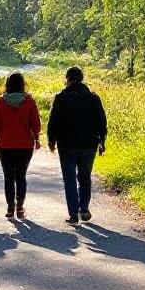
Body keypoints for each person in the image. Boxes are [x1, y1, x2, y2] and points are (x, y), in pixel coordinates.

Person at [47, 66, 107, 225]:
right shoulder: (93, 98)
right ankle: (84, 208)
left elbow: (53, 121)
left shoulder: (61, 98)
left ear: (67, 79)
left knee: (69, 179)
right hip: (88, 145)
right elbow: (102, 122)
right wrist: (102, 141)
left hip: (66, 145)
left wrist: (51, 140)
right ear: (81, 78)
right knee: (85, 177)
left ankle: (73, 214)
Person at [0, 72, 41, 219]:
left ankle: (10, 207)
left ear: (8, 84)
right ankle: (20, 207)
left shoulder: (0, 102)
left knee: (8, 177)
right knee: (21, 176)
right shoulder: (29, 101)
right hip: (25, 145)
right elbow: (36, 124)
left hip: (5, 144)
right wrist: (36, 137)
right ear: (22, 84)